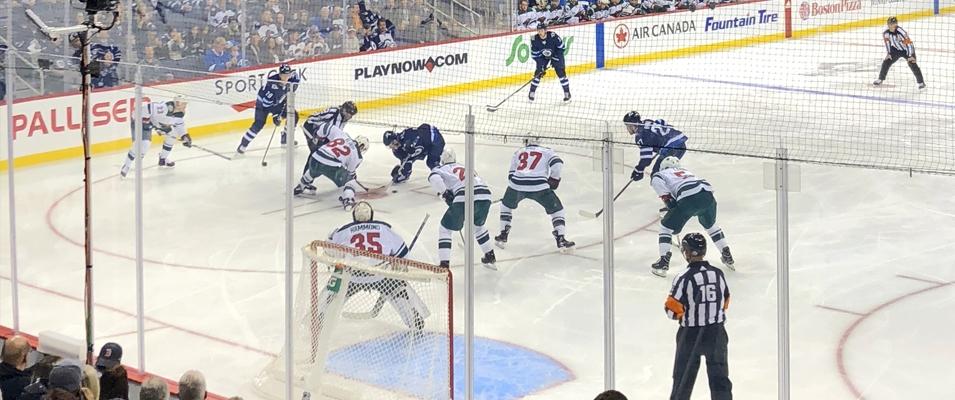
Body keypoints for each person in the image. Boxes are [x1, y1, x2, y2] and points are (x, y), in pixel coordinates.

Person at [324, 201, 429, 331]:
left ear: (354, 216)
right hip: (380, 275)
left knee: (334, 284)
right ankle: (414, 319)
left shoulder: (342, 231)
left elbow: (328, 251)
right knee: (399, 285)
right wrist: (398, 263)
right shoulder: (385, 228)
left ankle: (320, 316)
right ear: (372, 216)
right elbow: (403, 253)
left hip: (352, 276)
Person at [664, 233, 732, 400]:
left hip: (690, 335)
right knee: (720, 382)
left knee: (682, 383)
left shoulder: (684, 277)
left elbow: (672, 310)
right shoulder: (718, 274)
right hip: (716, 333)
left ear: (687, 252)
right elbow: (726, 300)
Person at [649, 157, 734, 277]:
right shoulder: (686, 171)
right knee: (711, 226)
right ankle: (726, 253)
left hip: (689, 198)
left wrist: (670, 204)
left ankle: (663, 261)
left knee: (665, 227)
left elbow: (666, 196)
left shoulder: (659, 175)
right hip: (707, 195)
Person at [494, 137, 575, 252]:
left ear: (526, 142)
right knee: (558, 210)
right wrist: (554, 179)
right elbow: (557, 164)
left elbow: (511, 175)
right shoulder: (547, 151)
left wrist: (514, 191)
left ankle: (503, 235)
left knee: (506, 206)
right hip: (540, 186)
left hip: (517, 184)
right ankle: (560, 238)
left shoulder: (519, 152)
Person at [427, 149, 497, 269]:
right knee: (478, 226)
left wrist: (445, 193)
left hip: (465, 195)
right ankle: (490, 255)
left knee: (445, 229)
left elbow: (434, 178)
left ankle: (444, 265)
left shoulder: (441, 169)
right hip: (485, 195)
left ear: (442, 160)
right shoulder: (466, 166)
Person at [120, 96, 192, 178]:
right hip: (141, 122)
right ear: (178, 103)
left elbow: (180, 126)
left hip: (157, 124)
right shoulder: (164, 108)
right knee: (144, 144)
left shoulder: (179, 114)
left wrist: (185, 136)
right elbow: (144, 110)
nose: (185, 106)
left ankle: (163, 159)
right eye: (184, 104)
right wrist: (146, 121)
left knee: (172, 135)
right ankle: (126, 166)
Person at [235, 63, 300, 154]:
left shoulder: (292, 77)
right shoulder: (271, 86)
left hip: (278, 101)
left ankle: (285, 138)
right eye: (283, 75)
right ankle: (243, 144)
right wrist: (275, 115)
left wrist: (291, 90)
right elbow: (267, 105)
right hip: (263, 104)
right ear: (279, 74)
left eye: (287, 75)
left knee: (294, 116)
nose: (286, 78)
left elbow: (296, 79)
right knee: (259, 123)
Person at [293, 136, 371, 209]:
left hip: (315, 158)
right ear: (362, 146)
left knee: (315, 170)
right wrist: (352, 178)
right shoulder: (358, 156)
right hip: (330, 164)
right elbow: (350, 172)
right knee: (351, 182)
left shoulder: (344, 137)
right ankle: (348, 200)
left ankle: (301, 185)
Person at [623, 111, 688, 181]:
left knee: (656, 175)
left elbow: (646, 159)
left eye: (627, 126)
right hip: (680, 143)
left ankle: (674, 188)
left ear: (632, 125)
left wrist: (639, 170)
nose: (627, 129)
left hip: (671, 148)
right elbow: (661, 123)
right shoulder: (647, 122)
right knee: (667, 171)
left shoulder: (640, 135)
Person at [873, 16, 925, 89]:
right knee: (886, 62)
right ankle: (880, 79)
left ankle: (921, 83)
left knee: (912, 63)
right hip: (895, 50)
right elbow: (887, 43)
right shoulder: (886, 33)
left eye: (894, 23)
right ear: (888, 24)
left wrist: (910, 56)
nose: (893, 25)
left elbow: (909, 43)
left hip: (907, 50)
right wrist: (889, 53)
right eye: (891, 23)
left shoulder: (901, 32)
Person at [528, 22, 571, 102]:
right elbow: (535, 55)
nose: (539, 32)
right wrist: (541, 66)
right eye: (538, 30)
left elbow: (562, 48)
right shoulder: (534, 39)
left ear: (545, 30)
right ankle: (532, 92)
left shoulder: (553, 36)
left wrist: (555, 58)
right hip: (543, 57)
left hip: (556, 55)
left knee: (561, 73)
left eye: (541, 30)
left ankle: (567, 93)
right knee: (538, 73)